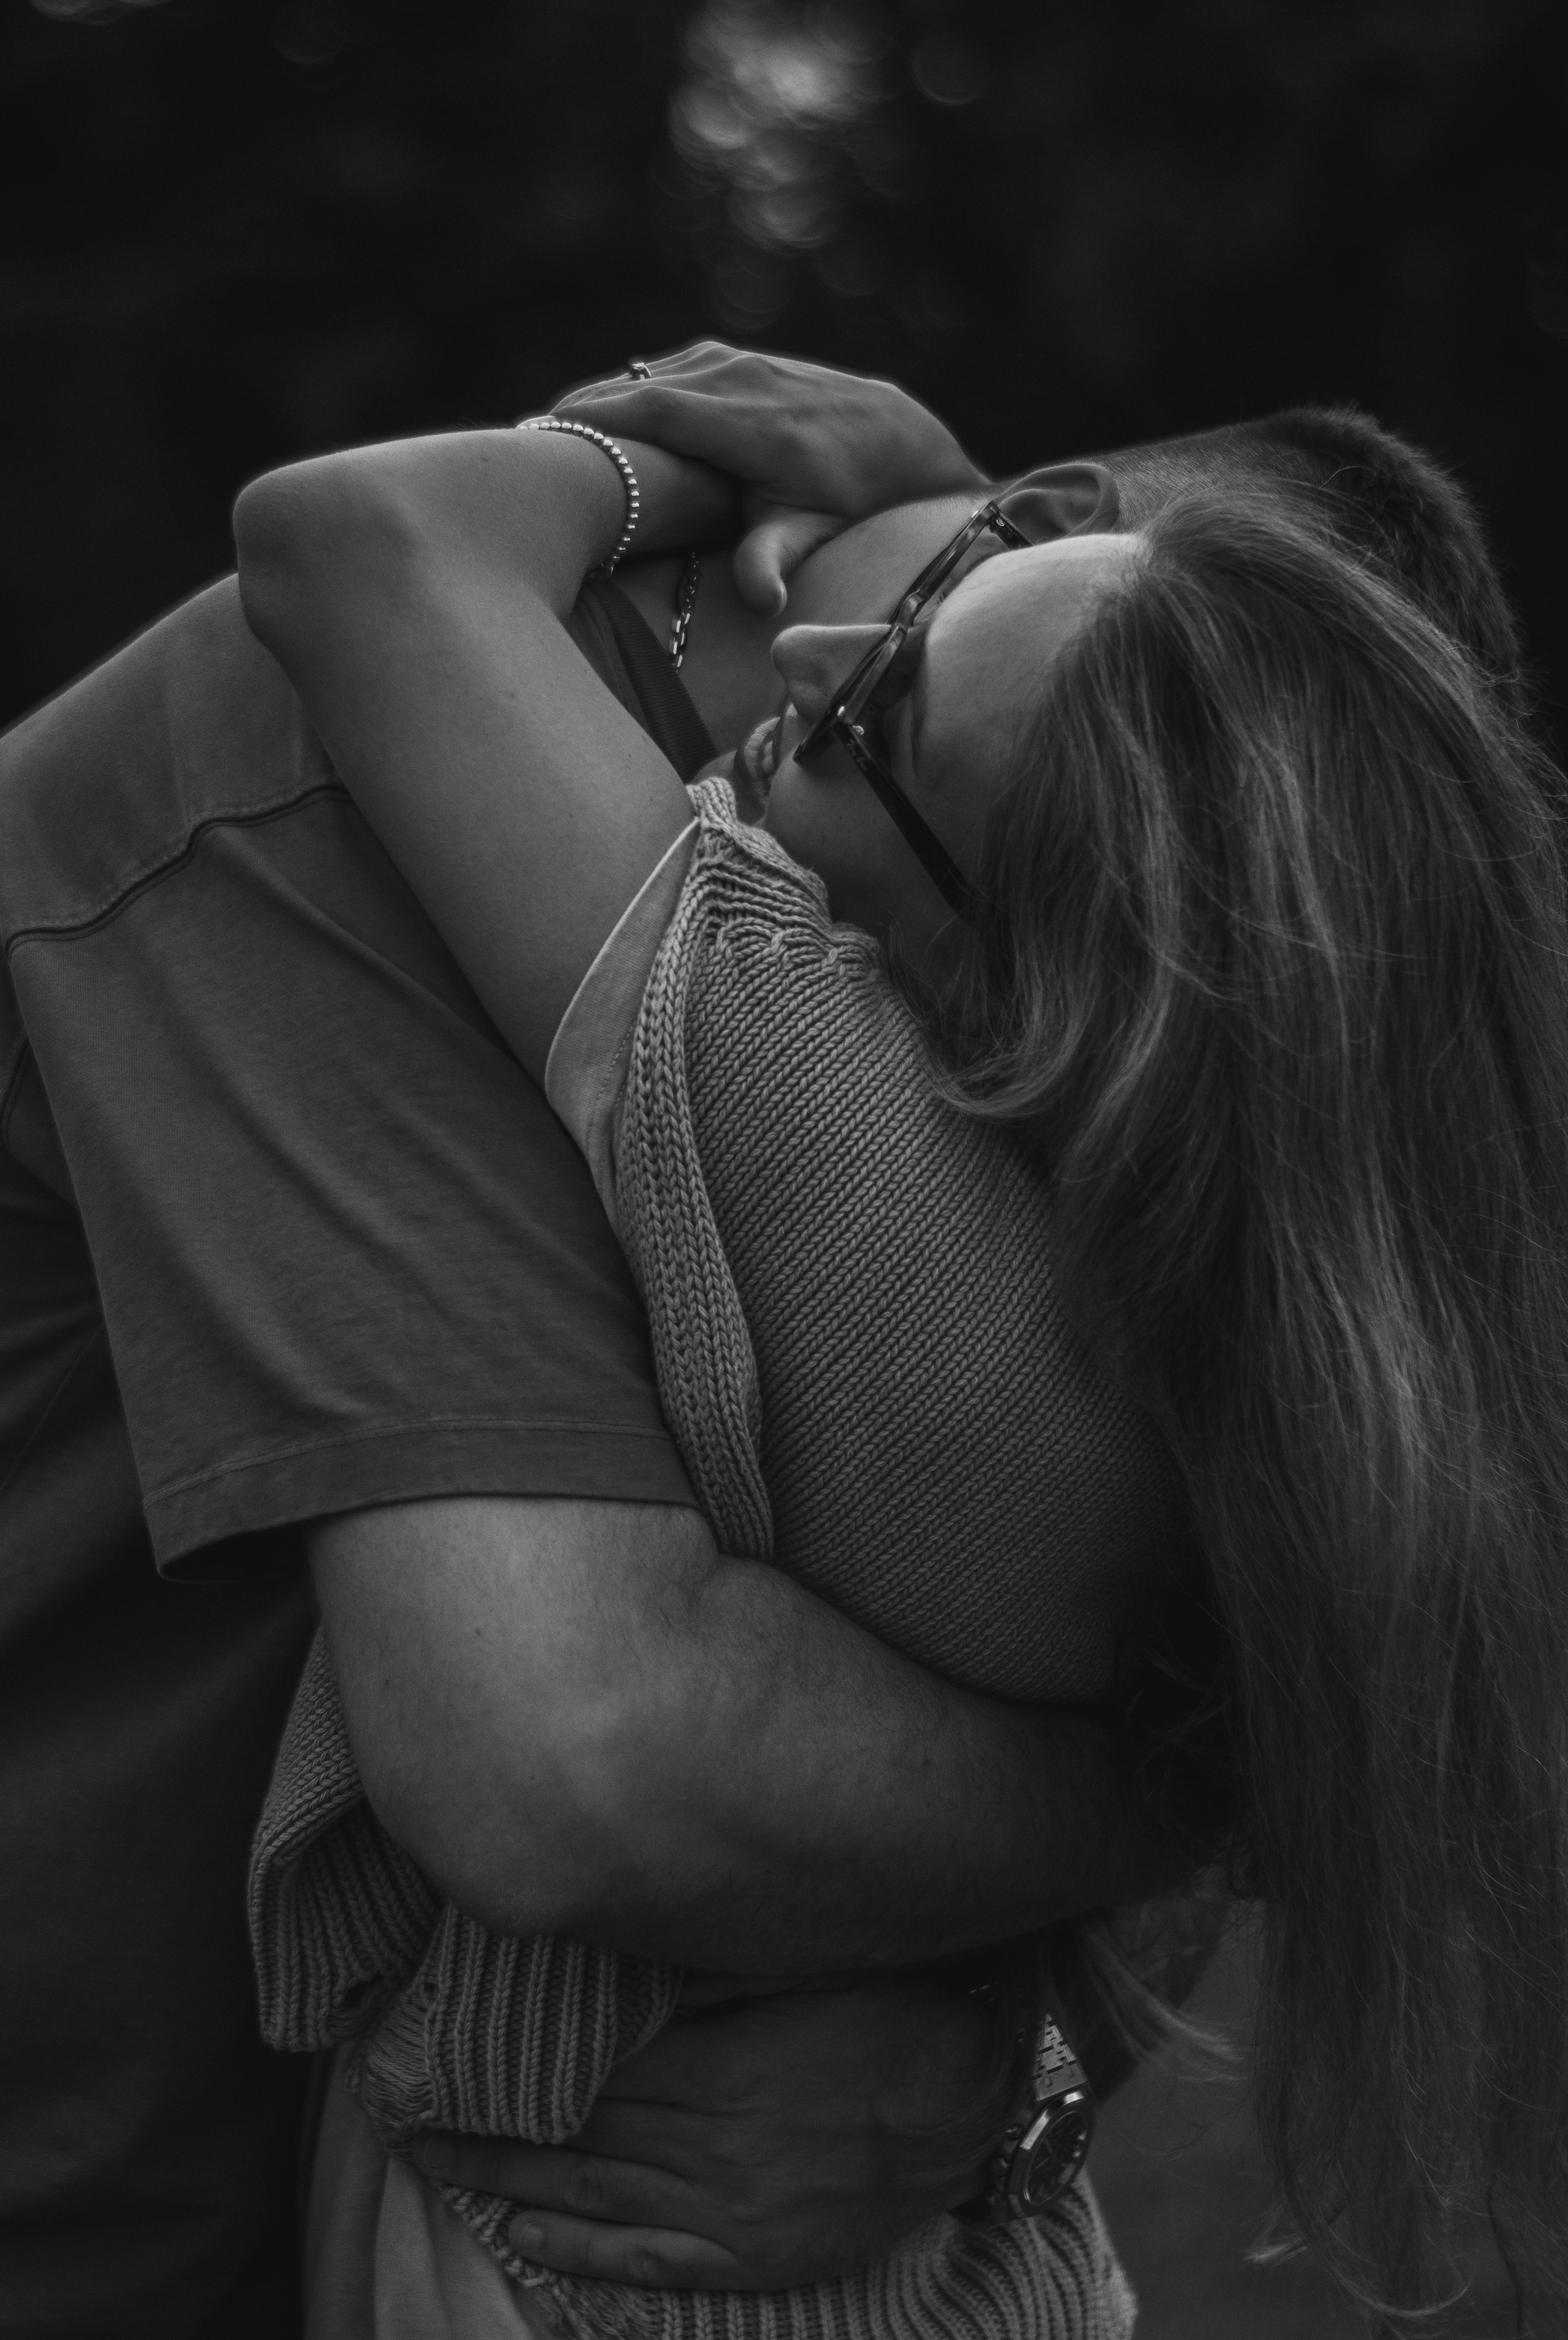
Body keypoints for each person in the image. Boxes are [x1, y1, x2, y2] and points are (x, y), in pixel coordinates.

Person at [0, 384, 1194, 2334]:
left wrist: (1000, 2059)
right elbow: (584, 1755)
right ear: (1045, 502)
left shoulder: (879, 888)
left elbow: (1077, 1540)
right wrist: (1171, 1802)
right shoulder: (316, 787)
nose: (823, 675)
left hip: (291, 2167)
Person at [232, 342, 1568, 2330]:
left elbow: (351, 538)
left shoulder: (820, 1126)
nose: (809, 660)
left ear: (1022, 982)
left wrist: (667, 467)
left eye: (879, 706)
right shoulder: (1246, 1354)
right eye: (970, 560)